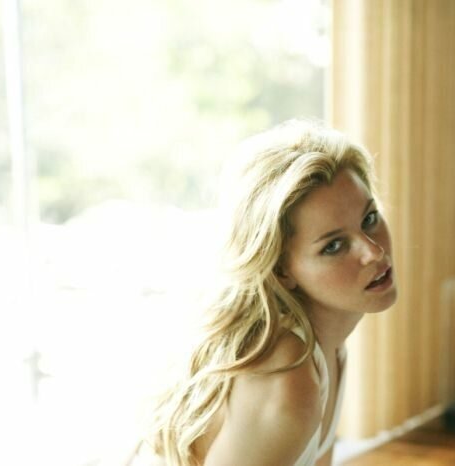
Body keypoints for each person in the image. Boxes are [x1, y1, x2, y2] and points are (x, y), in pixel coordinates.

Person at [124, 119, 398, 466]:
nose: (373, 251)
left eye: (369, 218)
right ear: (282, 270)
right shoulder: (286, 379)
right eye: (334, 246)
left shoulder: (329, 344)